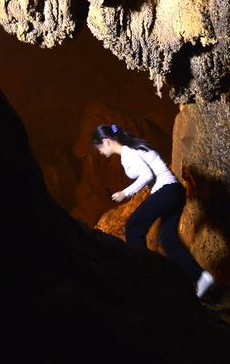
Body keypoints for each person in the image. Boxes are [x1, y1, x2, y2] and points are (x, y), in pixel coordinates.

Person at [92, 123, 214, 299]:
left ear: (106, 142)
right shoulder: (133, 146)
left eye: (99, 148)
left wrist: (125, 193)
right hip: (174, 191)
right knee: (169, 239)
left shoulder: (128, 152)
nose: (100, 152)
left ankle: (146, 279)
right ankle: (201, 278)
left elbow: (147, 174)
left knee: (133, 226)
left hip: (167, 191)